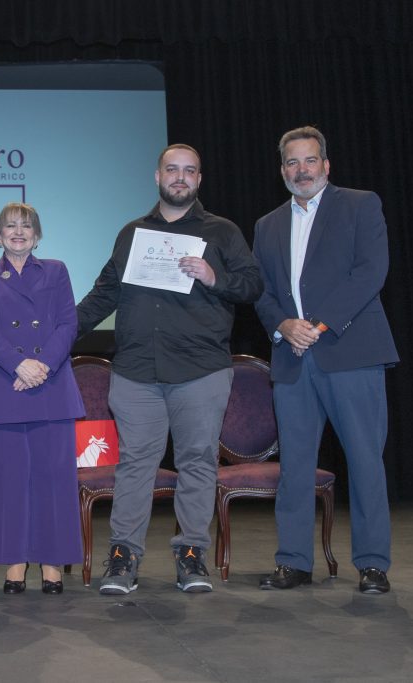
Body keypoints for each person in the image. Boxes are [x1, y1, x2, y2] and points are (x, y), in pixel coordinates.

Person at [76, 144, 263, 595]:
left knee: (197, 462)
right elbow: (102, 295)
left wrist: (214, 277)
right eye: (172, 170)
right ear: (157, 176)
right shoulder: (131, 233)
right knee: (135, 465)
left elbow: (253, 285)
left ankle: (192, 553)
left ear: (199, 179)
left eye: (189, 171)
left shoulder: (222, 232)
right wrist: (49, 339)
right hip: (137, 370)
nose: (180, 178)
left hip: (201, 370)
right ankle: (123, 557)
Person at [253, 126, 399, 594]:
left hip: (350, 351)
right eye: (292, 163)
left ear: (326, 164)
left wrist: (317, 325)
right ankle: (293, 562)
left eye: (310, 160)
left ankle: (373, 564)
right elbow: (262, 292)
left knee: (364, 459)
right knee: (295, 465)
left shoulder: (360, 204)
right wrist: (284, 326)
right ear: (282, 171)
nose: (302, 170)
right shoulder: (267, 224)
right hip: (293, 358)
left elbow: (370, 272)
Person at [0, 203, 85, 595]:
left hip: (49, 387)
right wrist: (19, 366)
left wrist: (42, 367)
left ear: (37, 235)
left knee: (53, 480)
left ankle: (52, 564)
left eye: (27, 226)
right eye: (10, 226)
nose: (19, 232)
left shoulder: (56, 270)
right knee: (7, 481)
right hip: (2, 386)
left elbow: (69, 323)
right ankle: (14, 564)